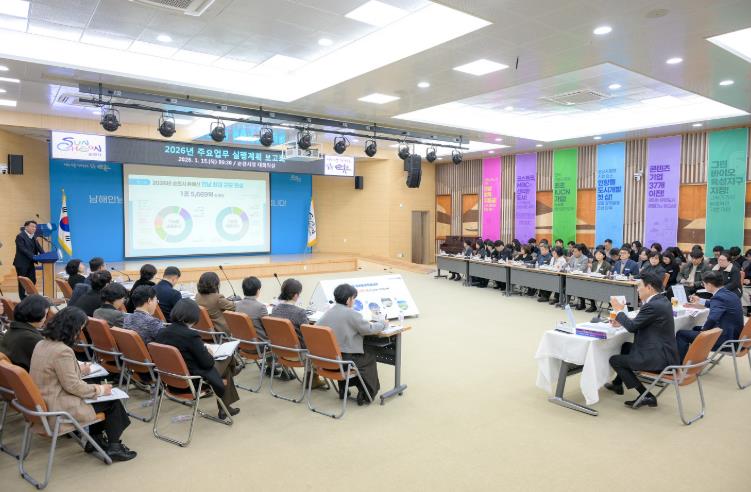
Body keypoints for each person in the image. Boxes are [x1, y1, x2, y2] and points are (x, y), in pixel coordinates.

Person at [30, 306, 136, 460]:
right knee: (112, 402)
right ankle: (114, 447)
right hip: (58, 406)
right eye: (80, 329)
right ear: (72, 329)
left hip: (45, 400)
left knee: (96, 391)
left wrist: (79, 371)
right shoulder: (62, 351)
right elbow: (73, 386)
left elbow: (55, 373)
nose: (79, 333)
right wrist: (100, 390)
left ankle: (96, 440)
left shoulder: (42, 343)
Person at [155, 299, 240, 419]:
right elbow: (208, 363)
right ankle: (234, 369)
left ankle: (225, 407)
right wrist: (208, 352)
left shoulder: (161, 333)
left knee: (225, 369)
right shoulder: (191, 335)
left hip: (171, 380)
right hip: (193, 380)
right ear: (193, 316)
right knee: (227, 357)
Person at [605, 273, 680, 408]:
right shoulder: (662, 300)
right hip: (665, 352)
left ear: (649, 287)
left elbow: (632, 327)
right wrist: (622, 321)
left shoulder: (653, 305)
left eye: (639, 286)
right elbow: (644, 322)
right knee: (626, 346)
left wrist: (619, 311)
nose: (637, 289)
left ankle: (646, 395)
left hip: (659, 358)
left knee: (615, 360)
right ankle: (617, 383)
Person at [316, 283, 388, 405]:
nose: (354, 301)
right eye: (354, 298)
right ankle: (366, 394)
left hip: (325, 361)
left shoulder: (328, 312)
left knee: (341, 351)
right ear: (348, 299)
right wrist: (383, 323)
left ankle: (343, 388)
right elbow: (369, 329)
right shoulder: (352, 314)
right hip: (343, 362)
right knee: (369, 357)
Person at [271, 279, 325, 388]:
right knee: (319, 344)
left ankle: (292, 373)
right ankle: (311, 379)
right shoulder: (300, 312)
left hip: (280, 351)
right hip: (299, 354)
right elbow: (309, 333)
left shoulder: (275, 310)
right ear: (296, 295)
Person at [678, 271, 743, 361]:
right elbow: (715, 304)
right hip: (735, 337)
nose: (703, 286)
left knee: (681, 334)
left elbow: (712, 318)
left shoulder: (718, 297)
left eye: (703, 284)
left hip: (726, 341)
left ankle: (681, 364)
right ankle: (696, 358)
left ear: (708, 285)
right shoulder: (730, 294)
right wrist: (700, 300)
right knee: (694, 328)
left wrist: (703, 332)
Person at [0, 294, 50, 370]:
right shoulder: (33, 339)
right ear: (37, 314)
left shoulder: (13, 329)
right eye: (46, 314)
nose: (46, 318)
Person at [195, 271, 235, 336]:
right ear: (215, 284)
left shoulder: (198, 296)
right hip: (221, 332)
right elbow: (234, 307)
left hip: (205, 331)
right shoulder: (218, 298)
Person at [13, 220, 43, 299]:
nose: (34, 228)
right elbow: (22, 249)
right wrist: (33, 256)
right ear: (26, 227)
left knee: (33, 280)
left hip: (30, 263)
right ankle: (23, 298)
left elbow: (39, 247)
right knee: (22, 282)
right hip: (21, 263)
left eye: (35, 227)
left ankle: (31, 296)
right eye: (32, 226)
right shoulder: (20, 236)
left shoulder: (33, 236)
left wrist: (44, 255)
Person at [235, 276, 268, 341]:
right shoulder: (261, 307)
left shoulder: (237, 305)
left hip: (242, 343)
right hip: (260, 344)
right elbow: (268, 329)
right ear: (258, 291)